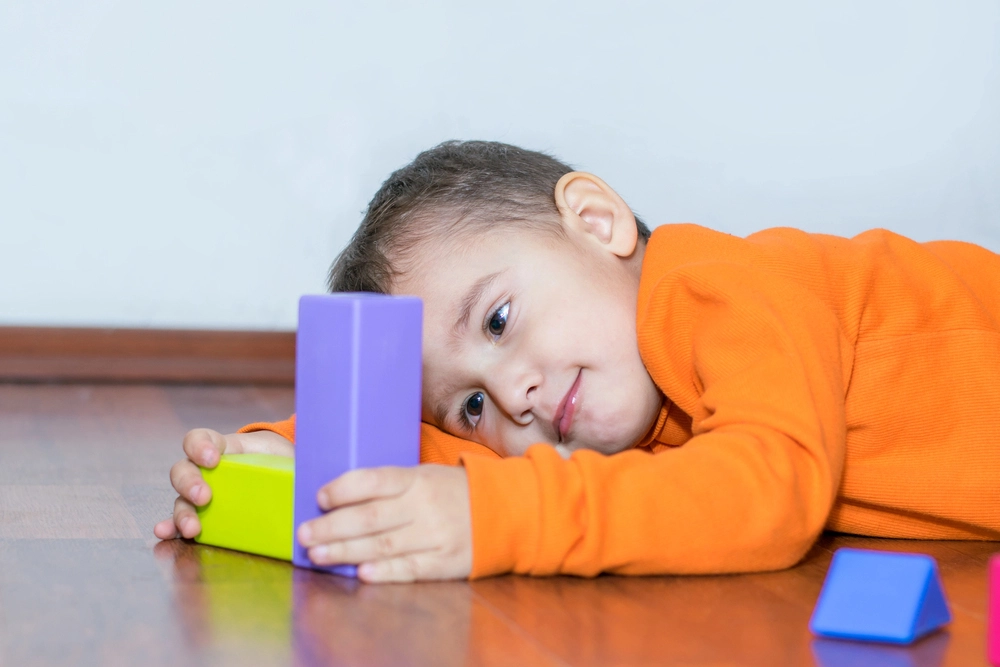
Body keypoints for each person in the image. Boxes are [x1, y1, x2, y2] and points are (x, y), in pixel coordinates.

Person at [155, 141, 1000, 583]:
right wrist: (295, 460)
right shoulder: (596, 402)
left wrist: (500, 520)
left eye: (498, 317)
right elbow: (432, 447)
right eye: (473, 406)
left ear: (597, 223)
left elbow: (767, 491)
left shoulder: (725, 292)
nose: (513, 392)